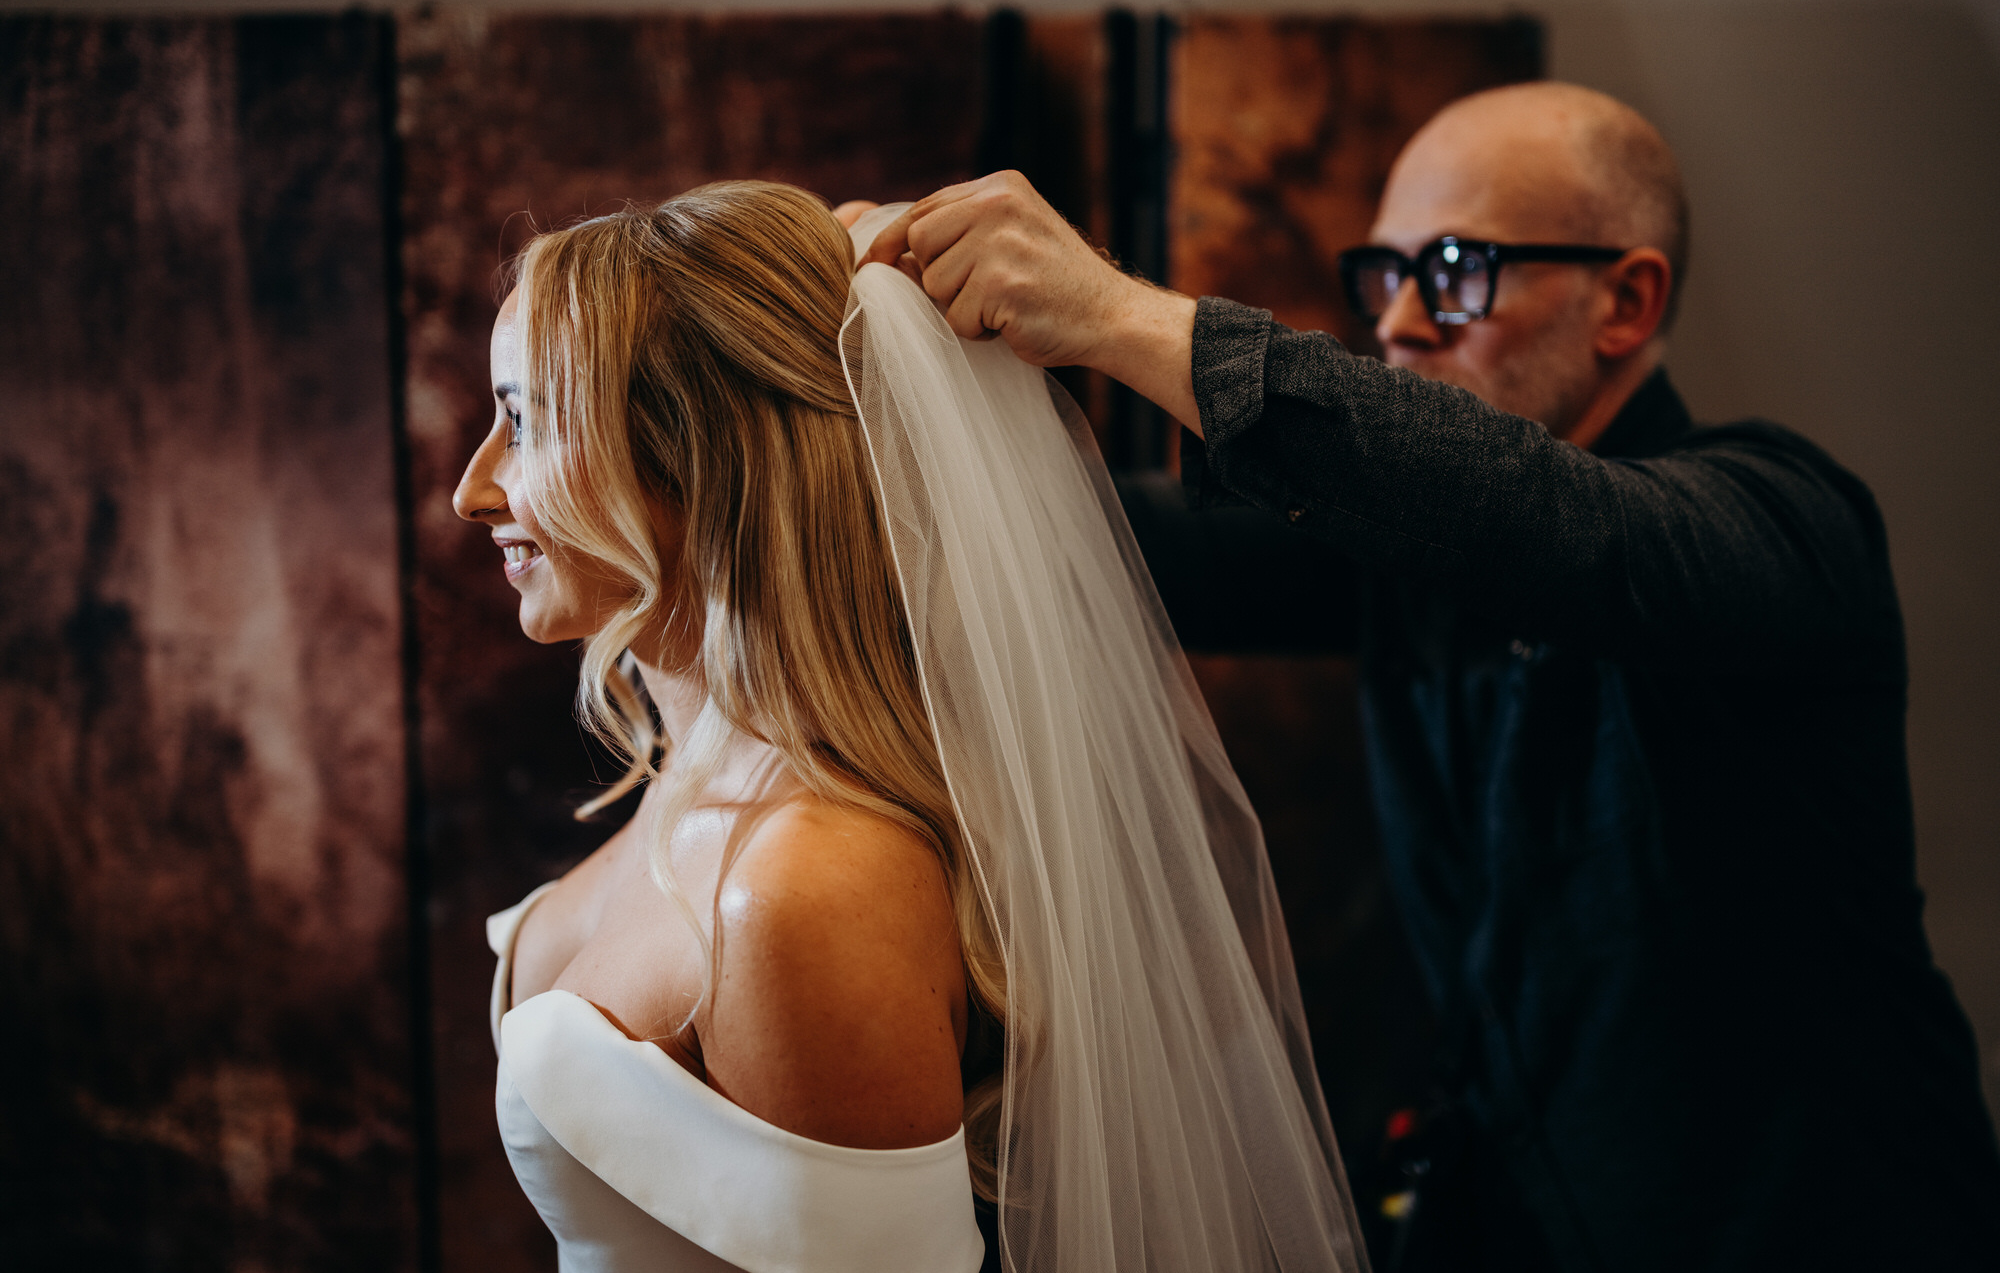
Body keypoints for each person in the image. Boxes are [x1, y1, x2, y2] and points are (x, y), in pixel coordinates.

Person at [854, 82, 2000, 1272]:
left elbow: (1555, 527)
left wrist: (1119, 316)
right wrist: (878, 365)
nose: (1397, 320)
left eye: (1453, 268)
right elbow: (1104, 542)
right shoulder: (1393, 554)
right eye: (1383, 272)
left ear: (1625, 298)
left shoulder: (1784, 519)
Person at [452, 181, 1367, 1272]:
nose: (474, 490)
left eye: (529, 420)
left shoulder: (803, 886)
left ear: (702, 454)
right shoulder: (694, 779)